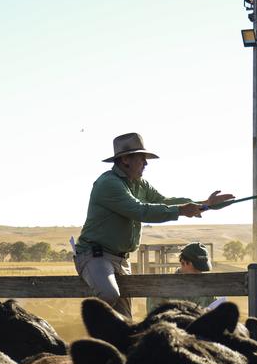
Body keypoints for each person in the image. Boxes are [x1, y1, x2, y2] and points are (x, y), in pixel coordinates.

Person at [74, 132, 233, 318]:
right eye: (142, 159)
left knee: (125, 319)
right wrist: (182, 210)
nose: (146, 164)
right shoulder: (108, 184)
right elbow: (141, 210)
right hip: (95, 256)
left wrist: (205, 203)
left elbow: (164, 201)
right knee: (109, 294)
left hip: (121, 259)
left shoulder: (141, 185)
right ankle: (94, 343)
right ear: (126, 159)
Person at [146, 242, 217, 313]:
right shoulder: (162, 286)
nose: (200, 272)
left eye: (202, 269)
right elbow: (153, 316)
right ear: (183, 262)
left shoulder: (207, 287)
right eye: (197, 267)